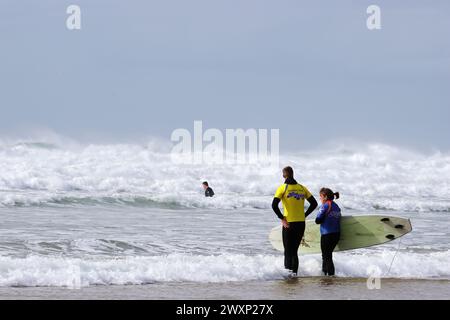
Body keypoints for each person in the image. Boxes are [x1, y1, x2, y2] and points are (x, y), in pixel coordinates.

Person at [272, 166, 318, 277]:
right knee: (294, 251)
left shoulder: (283, 188)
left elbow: (274, 205)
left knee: (288, 251)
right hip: (301, 223)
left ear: (284, 175)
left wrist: (282, 218)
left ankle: (288, 277)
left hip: (289, 223)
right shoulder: (302, 188)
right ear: (293, 174)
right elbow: (314, 204)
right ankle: (294, 275)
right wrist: (304, 215)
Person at [315, 188, 341, 276]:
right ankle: (326, 275)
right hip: (336, 234)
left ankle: (329, 276)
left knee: (326, 256)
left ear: (325, 197)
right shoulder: (336, 206)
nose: (320, 199)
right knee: (328, 256)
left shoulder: (325, 205)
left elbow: (317, 220)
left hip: (327, 235)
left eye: (321, 197)